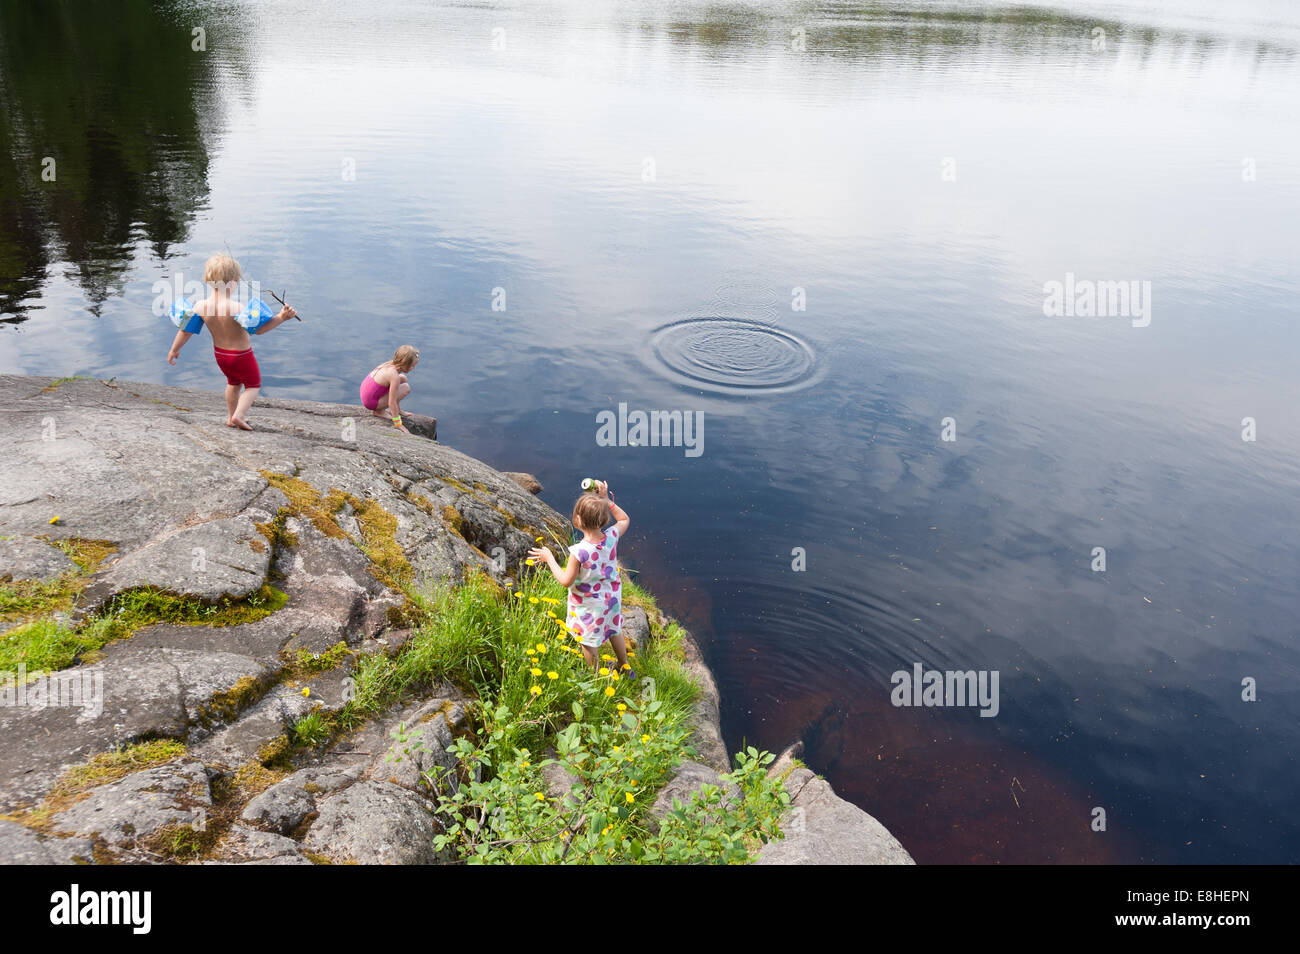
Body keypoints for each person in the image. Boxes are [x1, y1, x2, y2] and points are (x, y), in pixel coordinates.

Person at [165, 253, 297, 430]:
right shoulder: (237, 308)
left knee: (233, 383)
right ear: (234, 281)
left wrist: (174, 349)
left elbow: (186, 330)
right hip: (241, 355)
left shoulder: (200, 306)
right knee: (253, 385)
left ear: (208, 280)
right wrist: (281, 317)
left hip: (220, 355)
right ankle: (239, 416)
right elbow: (259, 330)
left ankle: (230, 416)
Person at [529, 481, 633, 675]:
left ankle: (595, 677)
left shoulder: (578, 552)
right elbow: (624, 519)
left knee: (587, 641)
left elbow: (566, 581)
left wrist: (549, 558)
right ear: (604, 520)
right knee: (613, 629)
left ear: (577, 520)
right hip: (611, 600)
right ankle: (624, 665)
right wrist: (606, 501)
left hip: (589, 608)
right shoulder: (611, 537)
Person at [360, 345, 420, 434]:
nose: (413, 368)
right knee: (406, 388)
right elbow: (391, 403)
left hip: (367, 395)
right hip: (371, 403)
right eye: (412, 366)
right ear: (404, 364)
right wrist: (398, 424)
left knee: (403, 378)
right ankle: (379, 412)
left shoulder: (389, 364)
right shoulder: (393, 376)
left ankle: (398, 410)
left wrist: (397, 410)